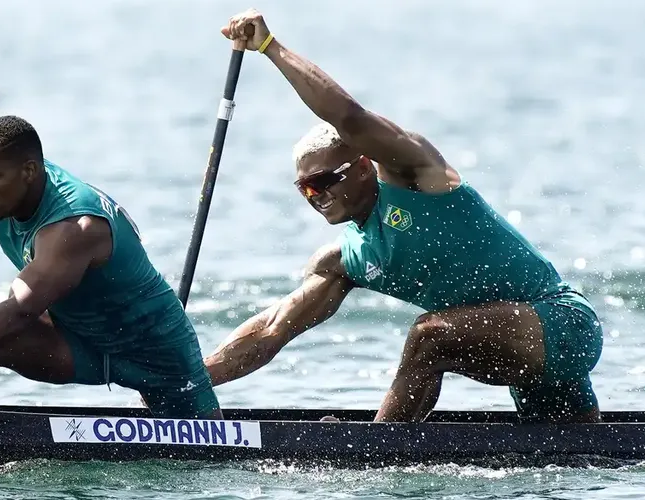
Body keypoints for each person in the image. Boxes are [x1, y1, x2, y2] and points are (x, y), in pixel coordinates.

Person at [203, 9, 604, 423]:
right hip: (512, 347)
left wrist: (270, 48)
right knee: (582, 456)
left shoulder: (415, 175)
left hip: (562, 324)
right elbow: (271, 331)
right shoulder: (344, 260)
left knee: (427, 336)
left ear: (363, 166)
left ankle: (378, 454)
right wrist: (188, 381)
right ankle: (390, 445)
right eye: (304, 187)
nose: (315, 196)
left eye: (323, 181)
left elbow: (349, 117)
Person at [0, 11, 221, 419]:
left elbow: (19, 311)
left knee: (204, 453)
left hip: (158, 356)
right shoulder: (7, 182)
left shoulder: (74, 227)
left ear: (30, 171)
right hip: (81, 342)